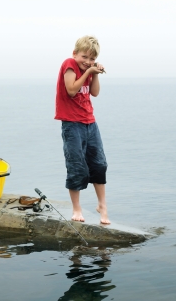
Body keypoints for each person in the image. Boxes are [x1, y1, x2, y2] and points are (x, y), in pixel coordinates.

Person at [55, 35, 110, 224]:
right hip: (72, 124)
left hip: (90, 122)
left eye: (92, 59)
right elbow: (71, 90)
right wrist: (87, 72)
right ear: (75, 54)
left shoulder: (89, 70)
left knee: (99, 164)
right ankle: (76, 209)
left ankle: (102, 205)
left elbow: (94, 92)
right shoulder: (69, 64)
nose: (88, 62)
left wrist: (94, 73)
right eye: (84, 57)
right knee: (77, 166)